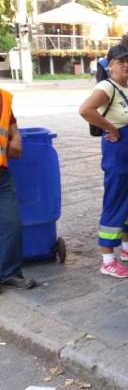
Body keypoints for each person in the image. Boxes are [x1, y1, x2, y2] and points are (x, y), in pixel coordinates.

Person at [78, 45, 128, 279]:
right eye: (121, 61)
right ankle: (108, 260)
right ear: (110, 65)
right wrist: (110, 128)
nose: (127, 65)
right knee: (116, 202)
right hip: (121, 157)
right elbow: (86, 110)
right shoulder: (106, 87)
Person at [0, 87, 36, 290]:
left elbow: (11, 124)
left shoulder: (3, 97)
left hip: (2, 175)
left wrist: (16, 138)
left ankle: (9, 273)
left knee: (11, 225)